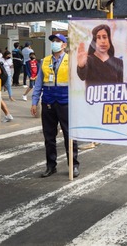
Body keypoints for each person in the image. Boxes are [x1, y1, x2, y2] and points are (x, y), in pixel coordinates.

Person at [31, 33, 79, 178]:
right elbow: (39, 83)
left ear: (64, 45)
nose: (54, 43)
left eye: (58, 41)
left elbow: (78, 82)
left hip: (66, 102)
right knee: (49, 136)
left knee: (69, 136)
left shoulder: (72, 60)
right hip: (48, 102)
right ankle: (51, 166)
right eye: (53, 41)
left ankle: (74, 165)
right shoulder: (45, 61)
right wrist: (34, 102)